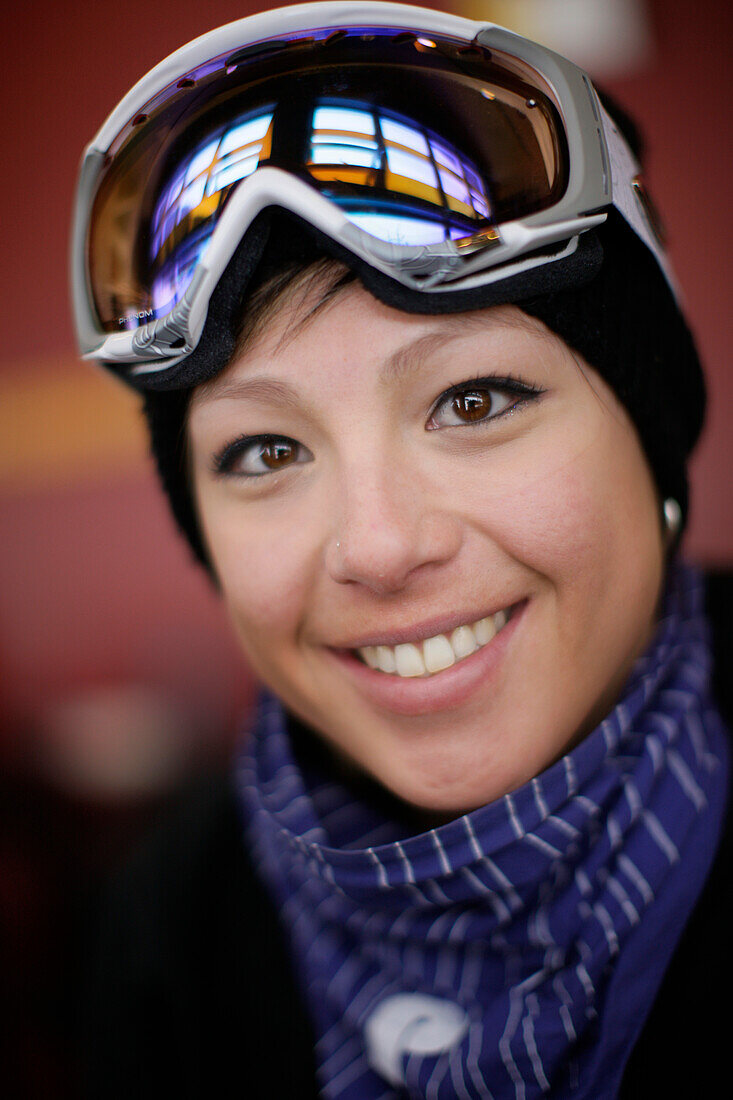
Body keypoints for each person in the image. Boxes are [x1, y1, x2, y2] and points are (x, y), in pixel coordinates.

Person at [72, 4, 731, 1097]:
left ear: (650, 441)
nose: (377, 547)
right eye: (267, 447)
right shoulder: (163, 928)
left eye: (474, 398)